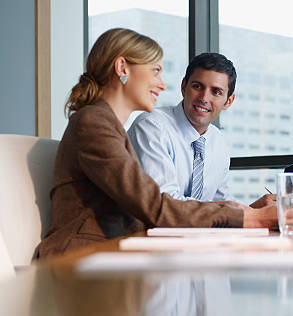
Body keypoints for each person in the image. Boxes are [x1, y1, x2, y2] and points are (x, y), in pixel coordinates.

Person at [39, 28, 276, 258]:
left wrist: (247, 212)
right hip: (80, 259)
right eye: (155, 71)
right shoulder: (94, 123)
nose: (162, 84)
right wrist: (251, 218)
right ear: (122, 68)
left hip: (116, 254)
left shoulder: (107, 126)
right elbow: (156, 207)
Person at [128, 53, 273, 208]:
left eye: (216, 92)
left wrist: (253, 209)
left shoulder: (218, 141)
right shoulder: (152, 126)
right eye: (197, 86)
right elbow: (166, 204)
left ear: (228, 101)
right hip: (144, 231)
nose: (204, 98)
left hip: (194, 232)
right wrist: (246, 212)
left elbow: (220, 202)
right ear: (184, 87)